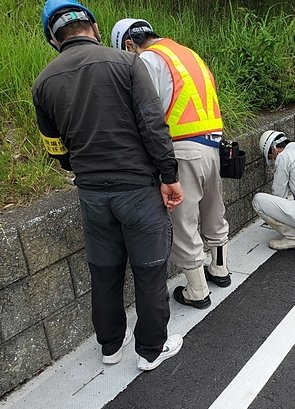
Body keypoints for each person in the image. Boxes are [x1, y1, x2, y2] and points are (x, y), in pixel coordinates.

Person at [33, 0, 184, 371]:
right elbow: (153, 124)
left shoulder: (44, 82)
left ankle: (110, 346)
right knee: (149, 270)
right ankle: (150, 350)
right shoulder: (128, 63)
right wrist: (168, 175)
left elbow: (55, 147)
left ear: (53, 39)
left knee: (104, 270)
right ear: (95, 27)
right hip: (136, 188)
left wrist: (79, 166)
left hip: (92, 193)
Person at [111, 19, 232, 310]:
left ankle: (197, 290)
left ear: (129, 45)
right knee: (214, 210)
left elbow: (146, 112)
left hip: (182, 150)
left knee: (183, 221)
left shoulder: (148, 60)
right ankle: (220, 270)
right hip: (213, 145)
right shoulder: (188, 54)